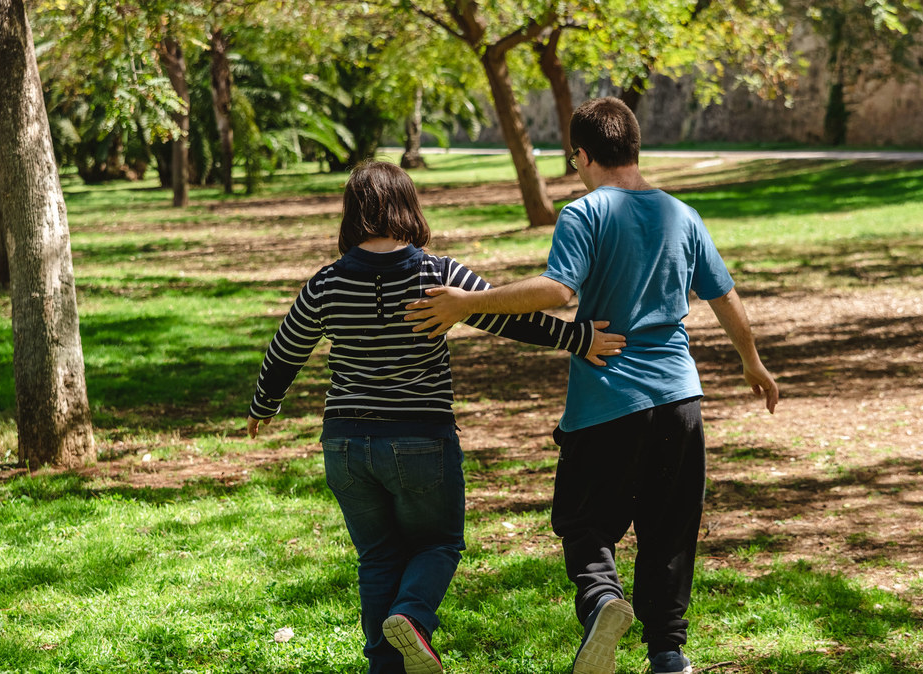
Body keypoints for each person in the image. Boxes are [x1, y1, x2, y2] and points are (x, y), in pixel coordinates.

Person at [404, 98, 779, 674]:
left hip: (607, 403)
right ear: (634, 146)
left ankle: (603, 601)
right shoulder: (683, 215)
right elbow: (723, 295)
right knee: (669, 530)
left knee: (583, 524)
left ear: (581, 155)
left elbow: (558, 292)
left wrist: (467, 304)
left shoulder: (585, 213)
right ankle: (668, 655)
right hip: (681, 400)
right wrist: (752, 362)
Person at [245, 160, 625, 674]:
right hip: (419, 437)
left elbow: (285, 350)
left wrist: (263, 406)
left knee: (378, 557)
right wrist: (578, 338)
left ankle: (386, 664)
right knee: (439, 543)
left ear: (352, 213)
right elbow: (507, 319)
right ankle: (413, 618)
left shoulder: (326, 284)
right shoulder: (437, 274)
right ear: (407, 206)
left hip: (345, 445)